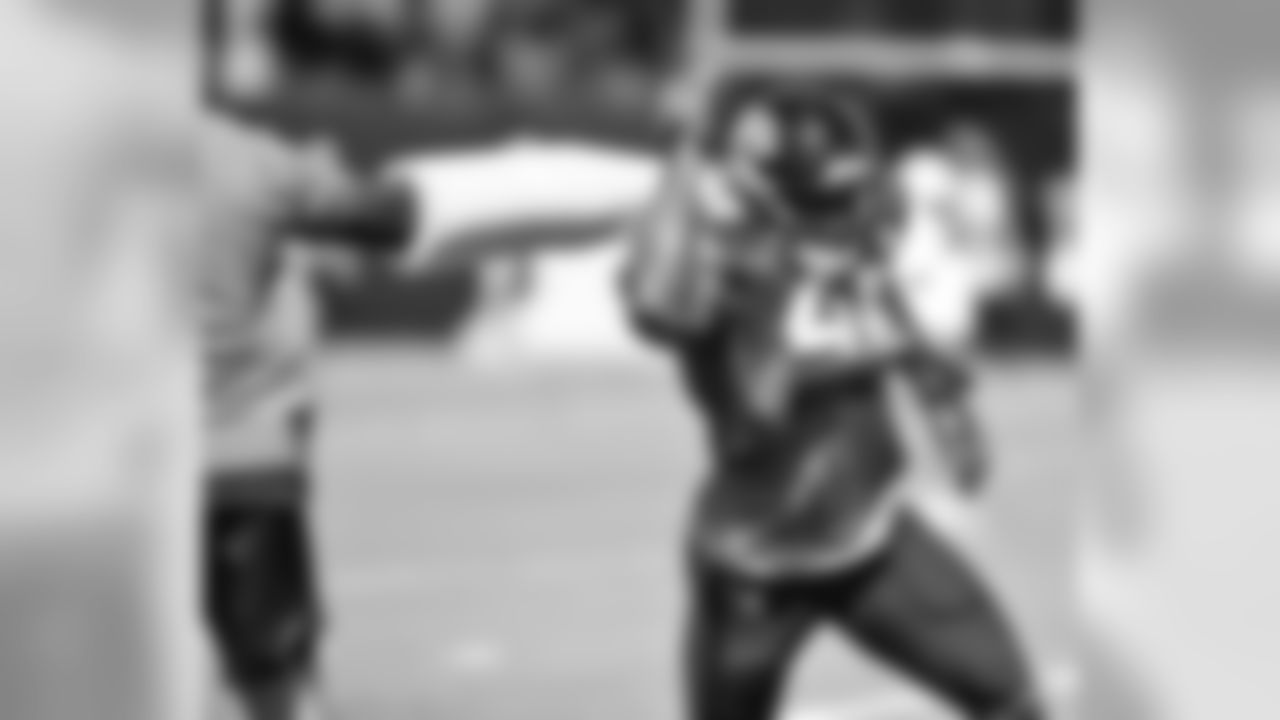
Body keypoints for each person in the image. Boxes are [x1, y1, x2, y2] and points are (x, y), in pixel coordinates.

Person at [620, 85, 1047, 720]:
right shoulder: (725, 274)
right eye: (828, 197)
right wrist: (683, 162)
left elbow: (906, 337)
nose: (850, 210)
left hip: (873, 542)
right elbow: (663, 314)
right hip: (756, 569)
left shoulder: (857, 256)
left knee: (1013, 703)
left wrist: (947, 408)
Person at [202, 117, 648, 720]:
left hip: (111, 471)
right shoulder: (247, 158)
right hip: (243, 453)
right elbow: (394, 217)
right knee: (273, 676)